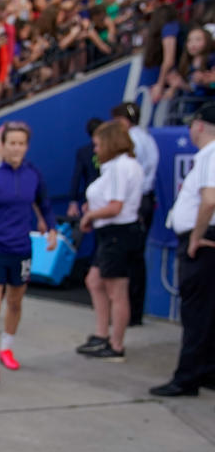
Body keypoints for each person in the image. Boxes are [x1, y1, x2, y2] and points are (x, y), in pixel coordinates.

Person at [0, 121, 57, 384]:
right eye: (13, 143)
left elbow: (44, 203)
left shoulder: (34, 174)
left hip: (21, 249)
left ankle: (6, 346)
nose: (17, 148)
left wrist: (51, 228)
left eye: (22, 144)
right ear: (3, 144)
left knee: (15, 303)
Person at [150, 103, 215, 396]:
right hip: (202, 238)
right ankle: (204, 371)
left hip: (200, 241)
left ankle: (187, 377)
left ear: (199, 125)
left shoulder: (210, 154)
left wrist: (195, 237)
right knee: (206, 312)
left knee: (196, 313)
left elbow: (210, 200)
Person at [77, 120, 144, 361]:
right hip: (112, 232)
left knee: (117, 290)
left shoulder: (119, 167)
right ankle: (101, 332)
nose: (95, 150)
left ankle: (116, 344)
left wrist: (91, 214)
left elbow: (116, 207)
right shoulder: (122, 166)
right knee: (94, 280)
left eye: (97, 145)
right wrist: (93, 207)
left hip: (118, 232)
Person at [110, 102, 159, 326]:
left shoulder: (134, 141)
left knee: (130, 259)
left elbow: (131, 178)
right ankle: (133, 311)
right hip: (143, 200)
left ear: (123, 121)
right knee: (136, 258)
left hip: (136, 202)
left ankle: (128, 312)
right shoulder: (147, 137)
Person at [67, 118, 103, 219]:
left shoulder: (84, 152)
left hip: (94, 198)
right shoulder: (84, 152)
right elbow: (77, 176)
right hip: (95, 200)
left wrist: (73, 201)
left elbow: (76, 177)